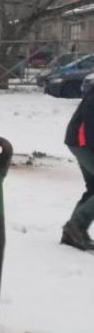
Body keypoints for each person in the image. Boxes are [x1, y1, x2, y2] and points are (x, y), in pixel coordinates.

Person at [63, 84, 94, 250]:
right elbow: (89, 126)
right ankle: (76, 226)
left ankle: (71, 233)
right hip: (84, 144)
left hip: (81, 143)